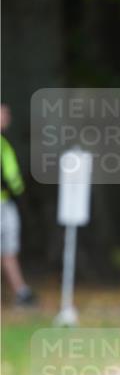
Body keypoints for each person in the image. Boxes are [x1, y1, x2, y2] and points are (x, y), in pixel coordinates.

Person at [1, 104, 37, 306]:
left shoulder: (3, 143)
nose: (8, 117)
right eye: (4, 113)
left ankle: (20, 292)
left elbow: (12, 177)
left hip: (7, 202)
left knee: (8, 250)